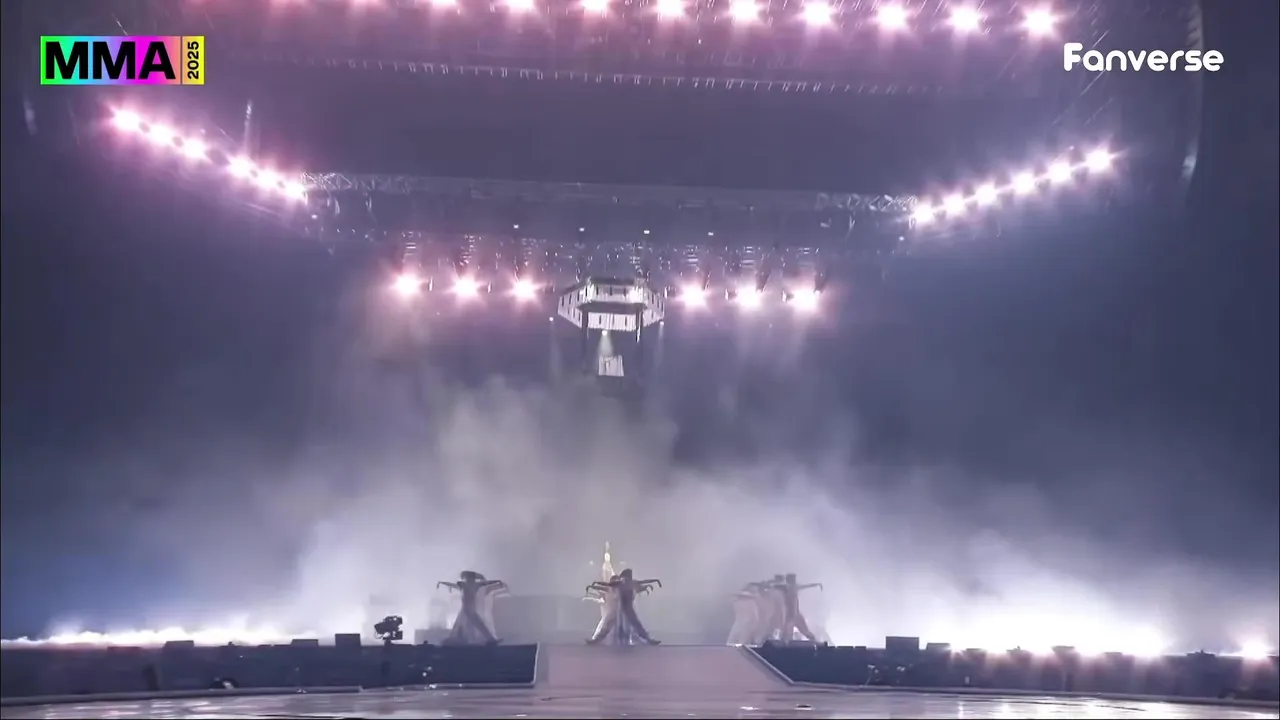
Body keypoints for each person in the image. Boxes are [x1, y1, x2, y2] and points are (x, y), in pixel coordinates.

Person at [586, 569, 661, 645]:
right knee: (608, 625)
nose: (628, 578)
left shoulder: (630, 583)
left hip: (627, 609)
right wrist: (595, 584)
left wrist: (655, 581)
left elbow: (643, 582)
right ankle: (595, 640)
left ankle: (648, 640)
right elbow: (607, 585)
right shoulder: (621, 583)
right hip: (619, 609)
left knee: (636, 625)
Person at [438, 570, 505, 645]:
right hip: (467, 610)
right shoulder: (464, 585)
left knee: (468, 625)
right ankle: (490, 640)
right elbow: (453, 585)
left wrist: (497, 581)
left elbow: (487, 583)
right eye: (469, 578)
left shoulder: (475, 585)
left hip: (469, 609)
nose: (470, 579)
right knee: (475, 625)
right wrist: (442, 583)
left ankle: (489, 640)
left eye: (471, 578)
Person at [772, 572, 823, 643]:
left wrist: (816, 584)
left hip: (796, 615)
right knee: (787, 635)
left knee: (805, 632)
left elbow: (805, 586)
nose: (793, 582)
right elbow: (773, 586)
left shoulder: (794, 587)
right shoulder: (784, 588)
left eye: (793, 580)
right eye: (792, 580)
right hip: (788, 616)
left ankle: (816, 643)